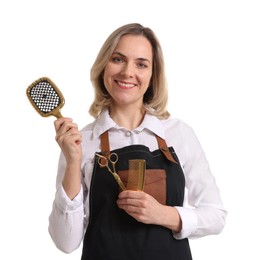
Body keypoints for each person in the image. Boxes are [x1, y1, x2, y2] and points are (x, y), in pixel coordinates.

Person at [48, 23, 227, 259]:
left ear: (153, 75)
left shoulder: (179, 134)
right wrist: (72, 162)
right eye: (118, 59)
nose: (127, 72)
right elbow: (66, 242)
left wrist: (163, 214)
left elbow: (216, 216)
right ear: (104, 67)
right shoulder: (82, 142)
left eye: (141, 64)